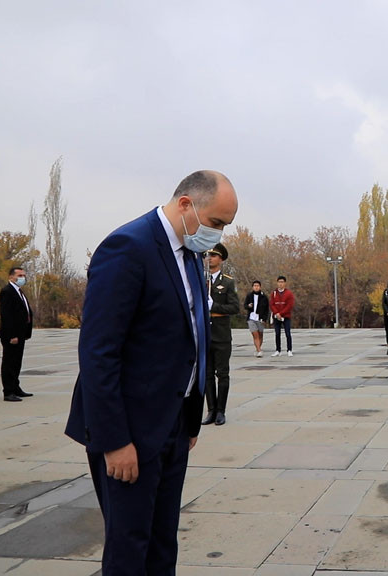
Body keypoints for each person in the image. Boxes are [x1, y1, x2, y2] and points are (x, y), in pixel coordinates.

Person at [65, 170, 238, 574]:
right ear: (185, 204)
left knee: (163, 542)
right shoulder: (128, 247)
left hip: (174, 425)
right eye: (216, 223)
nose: (218, 235)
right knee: (130, 547)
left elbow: (192, 334)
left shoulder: (190, 254)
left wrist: (190, 421)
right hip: (130, 431)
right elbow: (98, 352)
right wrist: (114, 441)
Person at [202, 243, 239, 426]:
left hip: (222, 335)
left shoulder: (227, 282)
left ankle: (221, 411)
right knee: (207, 374)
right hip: (205, 333)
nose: (209, 258)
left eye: (214, 255)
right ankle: (210, 410)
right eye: (207, 255)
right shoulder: (200, 280)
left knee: (222, 374)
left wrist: (213, 306)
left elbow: (234, 307)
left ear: (221, 259)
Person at [0, 266, 34, 402]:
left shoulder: (19, 291)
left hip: (20, 334)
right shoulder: (7, 291)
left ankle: (15, 387)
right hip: (11, 335)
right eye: (19, 275)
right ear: (11, 277)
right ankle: (8, 391)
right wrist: (12, 335)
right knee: (9, 362)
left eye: (23, 275)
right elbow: (6, 315)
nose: (22, 278)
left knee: (16, 362)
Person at [269, 275, 295, 357]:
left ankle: (289, 350)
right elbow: (272, 304)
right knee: (277, 334)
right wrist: (276, 313)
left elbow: (289, 306)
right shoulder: (274, 293)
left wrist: (281, 313)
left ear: (285, 283)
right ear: (277, 283)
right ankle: (278, 350)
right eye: (279, 282)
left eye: (282, 282)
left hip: (286, 317)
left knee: (287, 333)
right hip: (276, 317)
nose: (280, 284)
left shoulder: (289, 293)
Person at [243, 280, 269, 358]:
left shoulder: (264, 296)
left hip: (260, 318)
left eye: (257, 286)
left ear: (260, 287)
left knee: (260, 334)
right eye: (254, 286)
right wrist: (249, 306)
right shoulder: (249, 295)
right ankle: (259, 350)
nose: (256, 287)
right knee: (255, 335)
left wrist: (264, 319)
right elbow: (245, 306)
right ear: (252, 287)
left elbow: (266, 309)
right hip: (251, 318)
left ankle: (258, 348)